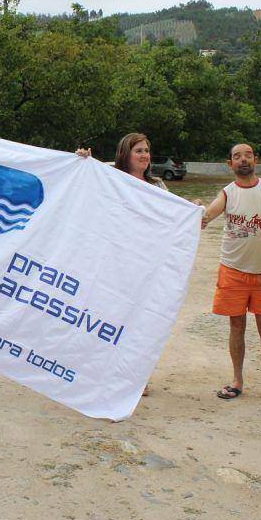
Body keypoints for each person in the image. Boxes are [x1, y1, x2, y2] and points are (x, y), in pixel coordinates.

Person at [77, 132, 165, 396]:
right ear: (125, 153)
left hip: (144, 266)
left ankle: (136, 378)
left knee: (140, 323)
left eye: (147, 150)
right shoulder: (109, 176)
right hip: (112, 263)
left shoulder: (158, 185)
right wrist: (84, 159)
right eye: (139, 150)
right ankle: (101, 374)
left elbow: (171, 218)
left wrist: (193, 211)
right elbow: (86, 180)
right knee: (108, 320)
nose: (145, 156)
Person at [200, 143, 261, 404]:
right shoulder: (228, 193)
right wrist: (194, 212)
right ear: (230, 164)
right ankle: (237, 380)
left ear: (256, 160)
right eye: (237, 156)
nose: (243, 160)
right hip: (233, 271)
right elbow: (206, 217)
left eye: (247, 155)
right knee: (236, 326)